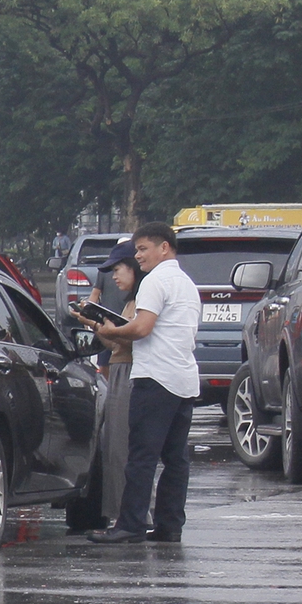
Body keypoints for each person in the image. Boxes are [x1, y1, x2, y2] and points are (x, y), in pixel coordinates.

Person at [91, 221, 200, 545]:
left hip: (155, 379)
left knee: (141, 456)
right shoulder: (187, 284)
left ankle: (131, 524)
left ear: (163, 247)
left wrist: (110, 332)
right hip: (183, 379)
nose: (137, 256)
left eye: (142, 249)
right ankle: (169, 525)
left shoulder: (155, 281)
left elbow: (142, 328)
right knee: (175, 459)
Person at [83, 242, 141, 529]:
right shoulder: (130, 298)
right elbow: (117, 343)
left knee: (122, 447)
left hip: (129, 372)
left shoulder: (142, 300)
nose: (114, 277)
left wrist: (106, 329)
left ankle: (127, 517)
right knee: (114, 445)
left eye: (118, 270)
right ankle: (121, 514)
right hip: (120, 368)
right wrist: (93, 324)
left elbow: (129, 340)